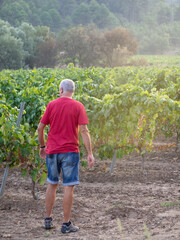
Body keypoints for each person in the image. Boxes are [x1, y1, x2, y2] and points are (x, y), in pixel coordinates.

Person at [37, 79, 95, 234]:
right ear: (72, 91)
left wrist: (43, 146)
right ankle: (66, 224)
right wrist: (89, 153)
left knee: (52, 184)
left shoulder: (51, 105)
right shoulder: (78, 106)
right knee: (68, 187)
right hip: (70, 152)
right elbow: (84, 131)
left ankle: (48, 219)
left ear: (61, 90)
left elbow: (40, 128)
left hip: (52, 151)